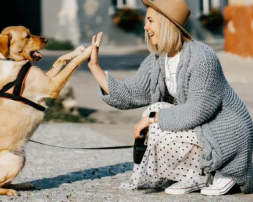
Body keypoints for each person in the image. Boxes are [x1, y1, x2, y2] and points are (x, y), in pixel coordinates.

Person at [87, 0, 253, 196]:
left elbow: (198, 110)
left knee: (154, 117)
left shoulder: (202, 57)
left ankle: (223, 170)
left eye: (150, 20)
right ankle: (196, 173)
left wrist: (152, 119)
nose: (145, 26)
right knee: (154, 110)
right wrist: (94, 67)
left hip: (226, 132)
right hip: (200, 128)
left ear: (167, 23)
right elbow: (129, 94)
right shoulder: (158, 60)